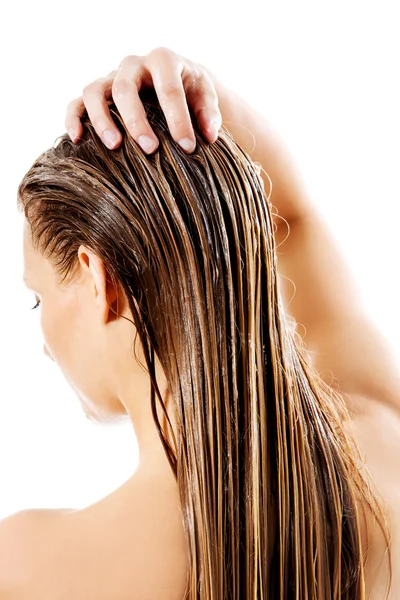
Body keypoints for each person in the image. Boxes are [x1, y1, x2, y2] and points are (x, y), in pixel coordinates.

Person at [0, 47, 399, 599]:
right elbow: (297, 219)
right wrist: (206, 104)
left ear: (98, 280)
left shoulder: (25, 567)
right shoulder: (381, 447)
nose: (43, 345)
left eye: (37, 300)